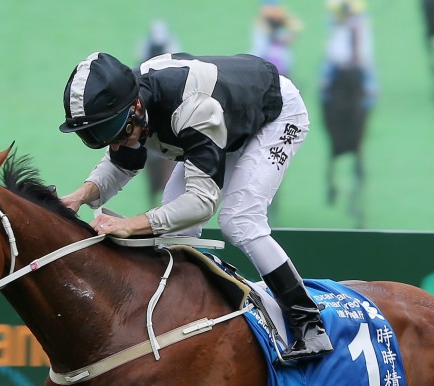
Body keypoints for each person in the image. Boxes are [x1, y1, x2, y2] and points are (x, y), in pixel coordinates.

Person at [58, 51, 333, 364]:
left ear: (135, 107)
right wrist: (78, 196)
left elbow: (202, 203)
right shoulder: (129, 109)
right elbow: (121, 163)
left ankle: (309, 324)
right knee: (176, 229)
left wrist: (130, 224)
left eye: (111, 132)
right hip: (225, 114)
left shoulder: (193, 109)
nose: (114, 143)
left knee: (240, 220)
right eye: (93, 137)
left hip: (273, 116)